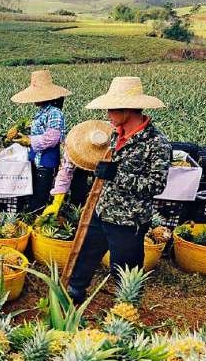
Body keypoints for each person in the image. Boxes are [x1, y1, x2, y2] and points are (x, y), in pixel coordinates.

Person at [47, 77, 171, 305]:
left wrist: (117, 175)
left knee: (125, 269)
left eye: (111, 109)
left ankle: (126, 307)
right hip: (101, 208)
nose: (107, 114)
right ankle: (74, 292)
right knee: (85, 255)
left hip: (127, 219)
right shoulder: (114, 134)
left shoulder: (157, 143)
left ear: (128, 109)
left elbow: (156, 185)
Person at [10, 69, 70, 210]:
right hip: (36, 159)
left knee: (39, 198)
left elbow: (52, 138)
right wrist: (19, 133)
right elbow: (39, 131)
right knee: (32, 196)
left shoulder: (55, 113)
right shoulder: (42, 111)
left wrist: (29, 141)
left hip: (45, 162)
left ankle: (36, 222)